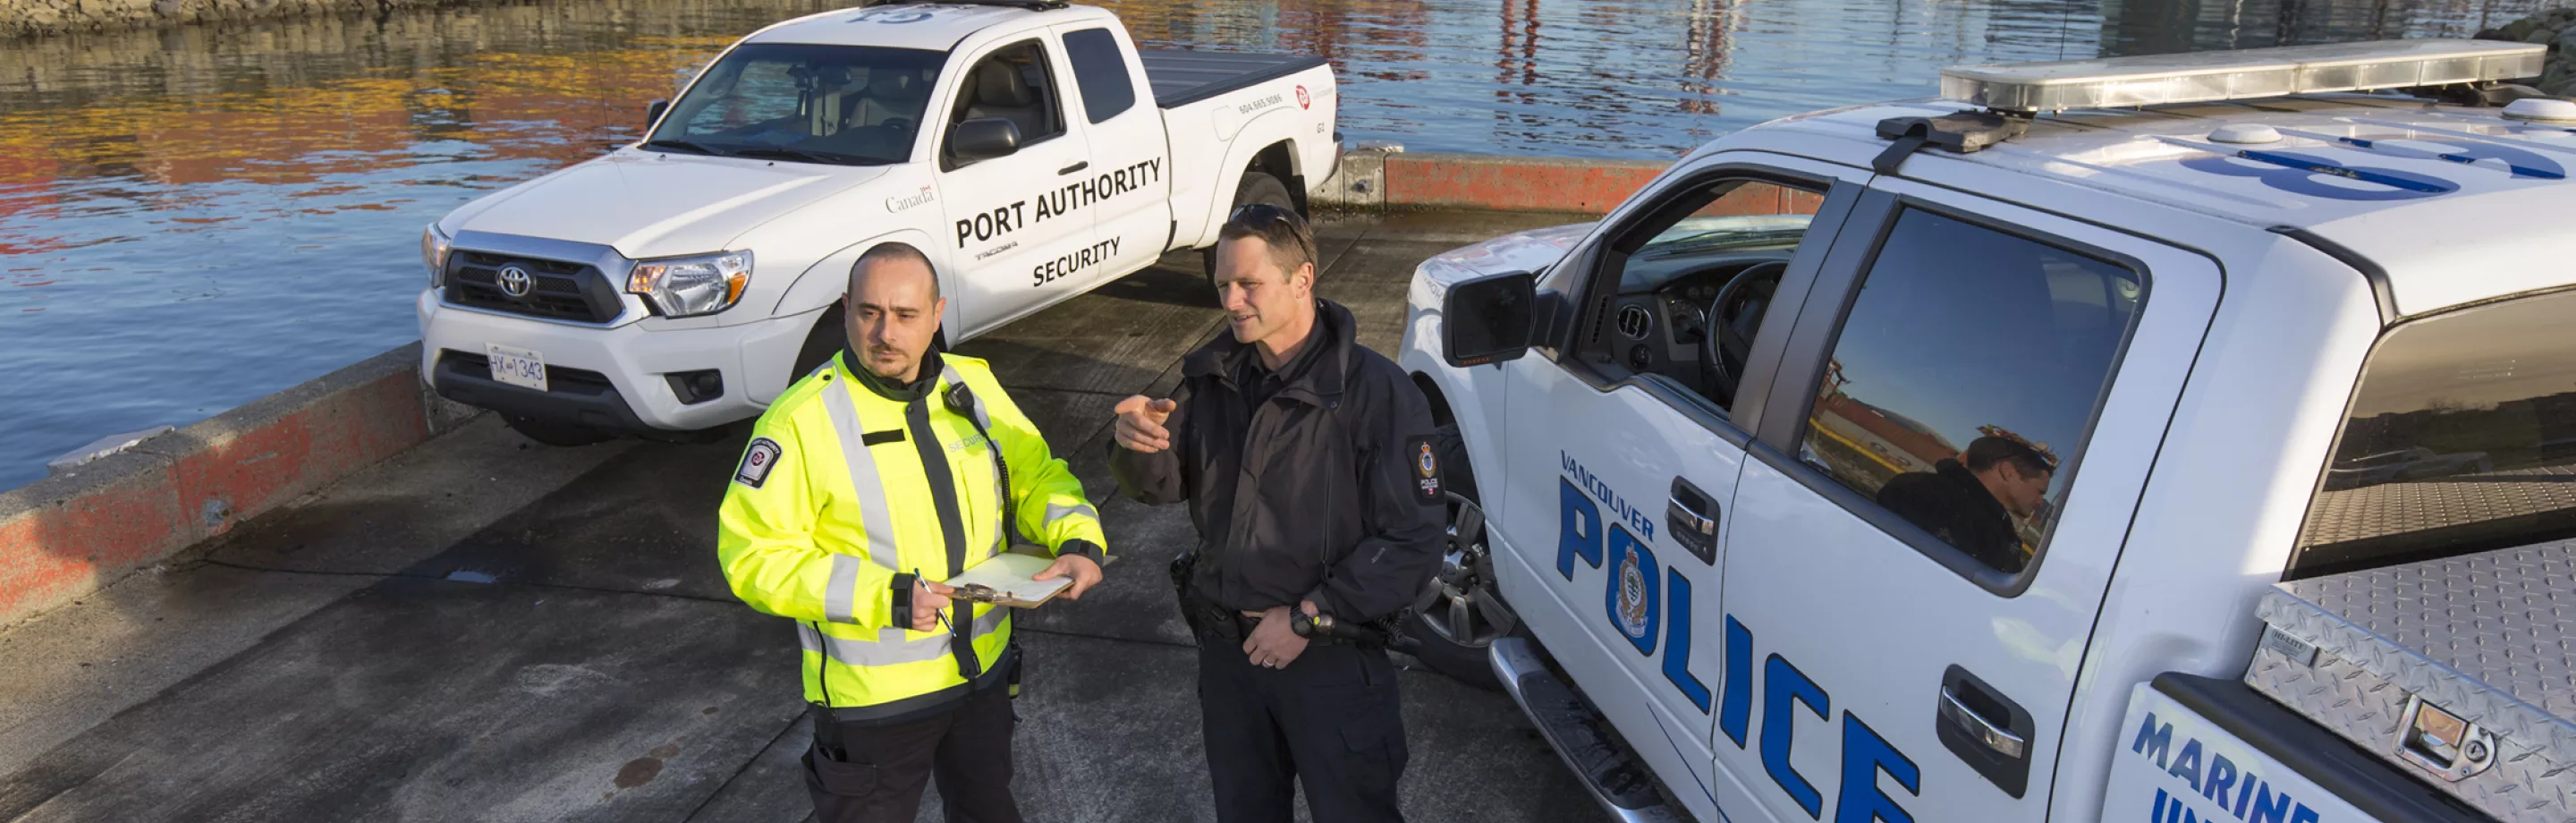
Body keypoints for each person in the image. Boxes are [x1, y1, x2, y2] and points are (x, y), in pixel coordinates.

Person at [716, 242, 1108, 823]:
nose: (884, 333)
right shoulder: (801, 420)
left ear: (936, 313)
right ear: (846, 310)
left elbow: (1037, 476)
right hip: (876, 706)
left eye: (904, 315)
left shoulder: (971, 388)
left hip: (982, 676)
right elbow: (753, 556)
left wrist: (1077, 542)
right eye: (868, 312)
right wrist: (888, 596)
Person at [1108, 204, 1444, 823]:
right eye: (1222, 286)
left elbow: (1415, 541)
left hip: (1330, 665)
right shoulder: (1210, 379)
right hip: (1230, 660)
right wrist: (1137, 448)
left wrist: (1311, 617)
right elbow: (1158, 489)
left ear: (1303, 279)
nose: (1231, 302)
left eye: (1248, 285)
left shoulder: (1378, 394)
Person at [1874, 434, 2056, 572]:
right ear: (2008, 473)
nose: (2041, 502)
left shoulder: (1996, 525)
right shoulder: (1921, 495)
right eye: (2040, 491)